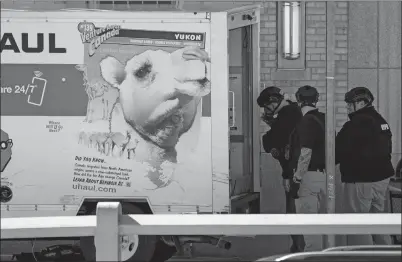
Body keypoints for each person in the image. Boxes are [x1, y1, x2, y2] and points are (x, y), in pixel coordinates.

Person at [336, 86, 394, 246]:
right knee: (378, 221)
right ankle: (387, 256)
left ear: (361, 103)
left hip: (361, 179)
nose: (347, 107)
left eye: (350, 104)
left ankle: (361, 255)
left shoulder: (355, 124)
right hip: (382, 179)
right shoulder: (381, 121)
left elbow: (338, 149)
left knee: (358, 222)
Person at [257, 86, 305, 253]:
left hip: (292, 171)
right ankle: (298, 247)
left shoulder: (288, 115)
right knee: (294, 211)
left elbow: (276, 141)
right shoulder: (291, 112)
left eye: (266, 106)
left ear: (274, 102)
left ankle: (299, 249)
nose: (265, 110)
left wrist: (286, 174)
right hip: (296, 170)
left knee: (292, 212)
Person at [289, 85, 326, 252]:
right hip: (325, 176)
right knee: (325, 225)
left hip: (309, 177)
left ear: (298, 100)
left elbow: (306, 151)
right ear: (316, 99)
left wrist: (297, 176)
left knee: (309, 226)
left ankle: (313, 257)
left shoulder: (305, 121)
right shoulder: (324, 118)